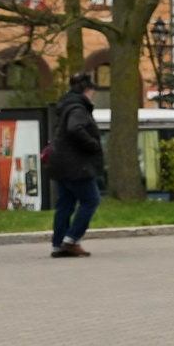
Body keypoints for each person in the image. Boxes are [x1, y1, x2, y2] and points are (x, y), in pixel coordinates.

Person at [48, 74, 105, 258]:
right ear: (87, 91)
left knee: (65, 204)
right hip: (77, 165)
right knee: (91, 200)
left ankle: (58, 244)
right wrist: (93, 144)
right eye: (92, 91)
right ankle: (71, 239)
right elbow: (75, 129)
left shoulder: (66, 106)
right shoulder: (78, 108)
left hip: (61, 163)